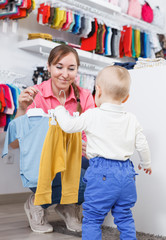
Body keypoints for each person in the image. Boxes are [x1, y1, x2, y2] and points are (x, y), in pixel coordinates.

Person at [54, 65, 152, 240]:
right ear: (126, 97)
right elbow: (142, 145)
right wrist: (146, 164)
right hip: (127, 175)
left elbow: (68, 126)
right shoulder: (131, 119)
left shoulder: (92, 115)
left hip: (102, 174)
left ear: (97, 91)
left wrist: (59, 109)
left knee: (92, 218)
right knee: (125, 216)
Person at [10, 44, 95, 233]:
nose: (65, 73)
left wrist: (88, 145)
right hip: (43, 164)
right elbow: (15, 144)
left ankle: (68, 205)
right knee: (79, 176)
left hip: (75, 162)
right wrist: (22, 109)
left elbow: (94, 136)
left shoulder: (85, 96)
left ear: (77, 71)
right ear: (48, 67)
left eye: (71, 68)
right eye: (59, 66)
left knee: (101, 171)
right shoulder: (35, 95)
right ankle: (37, 203)